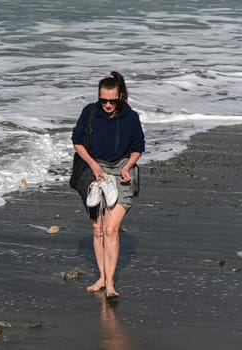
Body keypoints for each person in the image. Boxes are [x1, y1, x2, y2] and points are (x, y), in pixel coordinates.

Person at [71, 71, 145, 299]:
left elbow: (137, 148)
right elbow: (77, 142)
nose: (108, 105)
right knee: (98, 228)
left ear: (120, 96)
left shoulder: (131, 117)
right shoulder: (90, 113)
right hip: (95, 169)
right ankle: (101, 278)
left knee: (111, 228)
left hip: (122, 168)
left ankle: (110, 283)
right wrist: (93, 165)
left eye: (112, 100)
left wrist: (127, 167)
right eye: (103, 100)